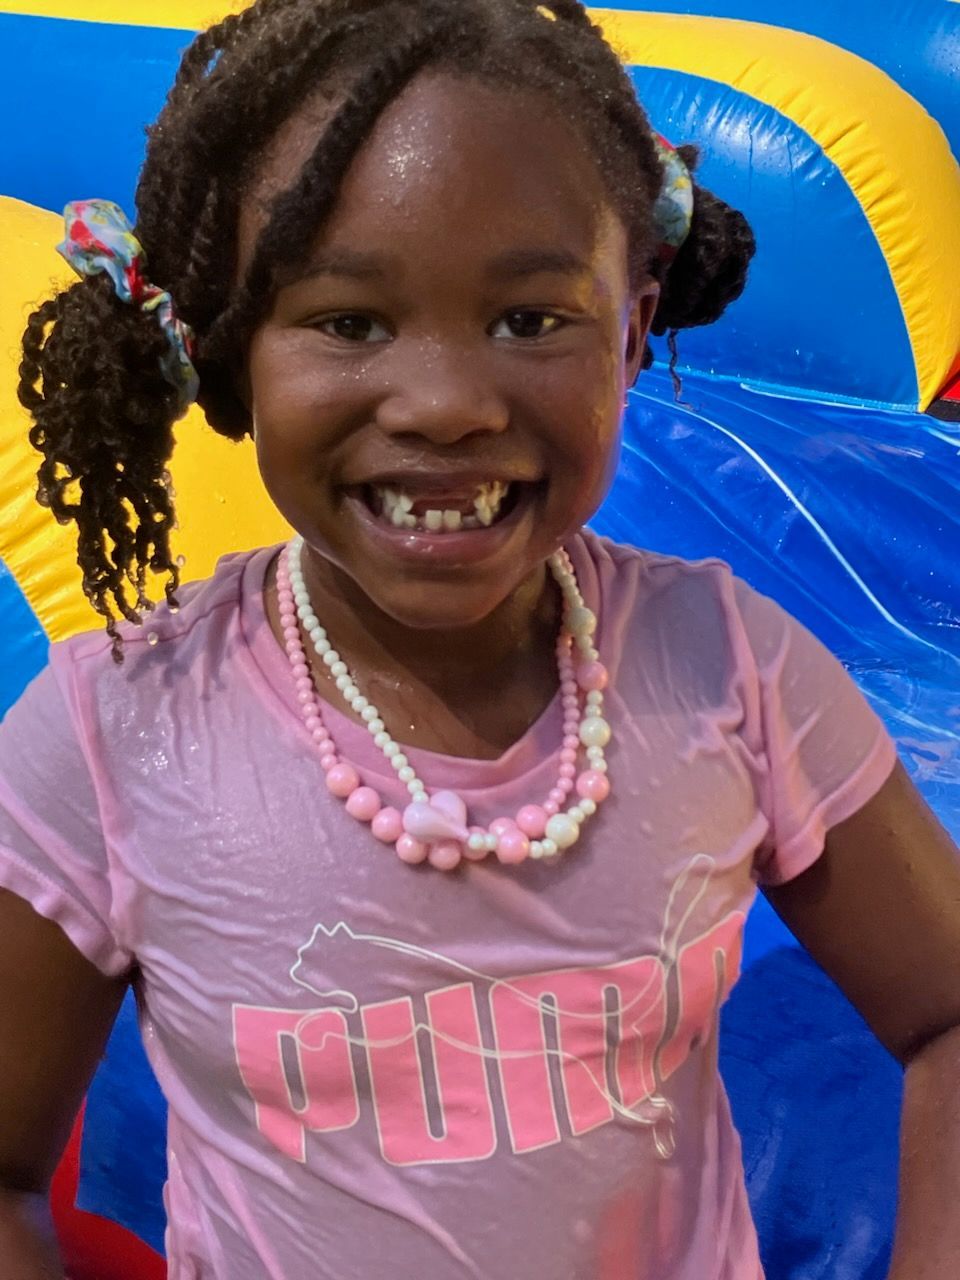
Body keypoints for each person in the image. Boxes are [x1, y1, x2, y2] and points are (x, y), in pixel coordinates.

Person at [2, 1, 960, 1276]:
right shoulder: (120, 729)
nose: (447, 405)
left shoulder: (727, 668)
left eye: (529, 319)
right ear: (227, 353)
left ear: (631, 328)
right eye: (348, 321)